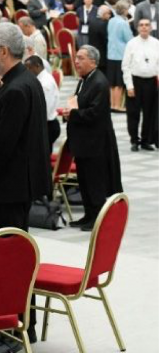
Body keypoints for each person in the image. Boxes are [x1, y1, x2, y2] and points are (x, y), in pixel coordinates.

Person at [0, 22, 50, 231]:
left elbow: (3, 144)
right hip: (16, 183)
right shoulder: (24, 79)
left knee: (10, 243)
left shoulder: (16, 88)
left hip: (9, 186)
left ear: (4, 52)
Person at [63, 46, 123, 230]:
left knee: (94, 182)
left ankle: (97, 218)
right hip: (83, 142)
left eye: (81, 58)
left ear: (93, 62)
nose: (76, 61)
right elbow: (79, 103)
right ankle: (88, 215)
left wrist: (72, 114)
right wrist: (70, 111)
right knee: (84, 181)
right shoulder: (85, 79)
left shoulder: (99, 82)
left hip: (95, 142)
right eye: (76, 58)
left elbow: (95, 113)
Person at [121, 18, 159, 151]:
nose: (144, 27)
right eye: (141, 25)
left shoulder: (156, 43)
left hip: (151, 82)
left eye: (147, 25)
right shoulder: (131, 44)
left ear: (151, 28)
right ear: (137, 28)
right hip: (135, 81)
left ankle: (145, 140)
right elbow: (125, 66)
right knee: (133, 113)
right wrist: (129, 86)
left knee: (149, 113)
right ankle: (134, 140)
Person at [25, 54, 60, 154]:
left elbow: (45, 109)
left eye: (29, 67)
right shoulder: (41, 79)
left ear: (37, 66)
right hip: (44, 124)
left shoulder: (45, 83)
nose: (27, 71)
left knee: (42, 157)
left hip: (47, 125)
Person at [107, 0, 132, 112]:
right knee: (119, 83)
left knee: (112, 82)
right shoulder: (123, 23)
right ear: (124, 10)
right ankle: (117, 105)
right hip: (121, 55)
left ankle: (112, 104)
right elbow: (129, 39)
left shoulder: (111, 20)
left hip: (111, 54)